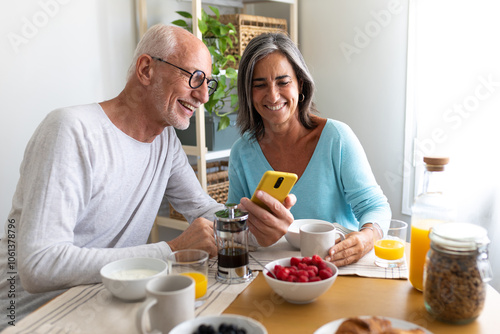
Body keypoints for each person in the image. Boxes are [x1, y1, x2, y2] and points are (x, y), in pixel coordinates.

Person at [0, 25, 295, 329]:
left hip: (107, 305)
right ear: (146, 69)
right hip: (33, 319)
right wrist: (171, 249)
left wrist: (251, 221)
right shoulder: (70, 130)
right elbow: (39, 266)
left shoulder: (165, 143)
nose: (204, 95)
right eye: (194, 77)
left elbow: (204, 209)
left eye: (209, 83)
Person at [227, 32, 391, 267]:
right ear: (247, 93)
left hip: (335, 268)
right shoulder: (241, 152)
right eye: (259, 85)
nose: (273, 95)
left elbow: (376, 207)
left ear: (300, 84)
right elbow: (233, 226)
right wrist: (251, 234)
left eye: (283, 82)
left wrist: (367, 237)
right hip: (275, 274)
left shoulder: (337, 138)